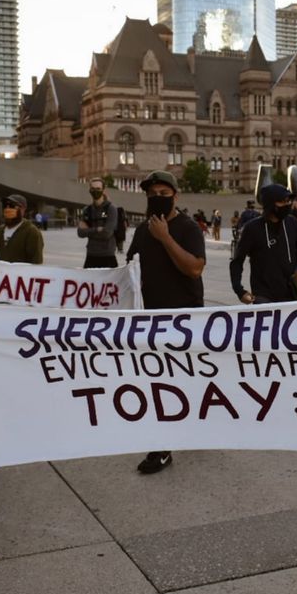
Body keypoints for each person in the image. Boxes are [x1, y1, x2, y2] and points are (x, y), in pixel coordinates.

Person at [124, 171, 205, 475]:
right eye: (151, 193)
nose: (156, 197)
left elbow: (195, 268)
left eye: (162, 191)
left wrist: (166, 238)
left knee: (181, 382)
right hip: (151, 319)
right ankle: (161, 447)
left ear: (175, 196)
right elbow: (130, 269)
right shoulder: (143, 230)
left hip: (184, 319)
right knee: (159, 383)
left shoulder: (187, 228)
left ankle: (186, 431)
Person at [231, 184, 297, 304]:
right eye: (283, 202)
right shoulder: (252, 229)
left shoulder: (292, 224)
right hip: (263, 295)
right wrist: (239, 291)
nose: (287, 205)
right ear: (271, 205)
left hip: (290, 293)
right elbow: (237, 261)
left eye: (288, 201)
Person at [78, 178, 119, 268]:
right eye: (93, 189)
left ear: (103, 190)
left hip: (107, 255)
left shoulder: (111, 209)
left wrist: (88, 231)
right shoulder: (86, 210)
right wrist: (97, 229)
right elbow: (80, 233)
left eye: (98, 189)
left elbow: (107, 233)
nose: (95, 191)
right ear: (89, 190)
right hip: (91, 255)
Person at [0, 194, 43, 264]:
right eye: (5, 205)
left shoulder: (31, 232)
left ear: (23, 209)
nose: (8, 209)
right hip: (0, 273)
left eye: (12, 206)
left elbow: (36, 261)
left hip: (21, 274)